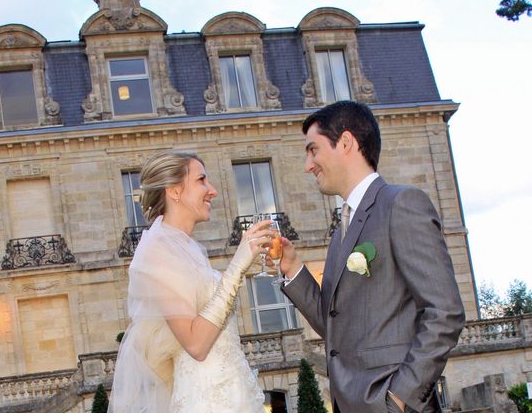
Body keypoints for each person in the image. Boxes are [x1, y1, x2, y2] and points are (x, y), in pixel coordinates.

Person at [278, 101, 465, 413]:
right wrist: (292, 267)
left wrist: (399, 397)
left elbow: (445, 311)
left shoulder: (402, 204)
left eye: (313, 150)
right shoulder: (342, 231)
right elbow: (335, 325)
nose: (307, 165)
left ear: (347, 143)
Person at [108, 151, 271, 413]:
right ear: (174, 191)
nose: (213, 191)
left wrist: (247, 263)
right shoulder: (156, 250)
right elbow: (196, 344)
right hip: (206, 401)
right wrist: (237, 266)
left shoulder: (187, 247)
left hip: (233, 391)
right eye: (202, 180)